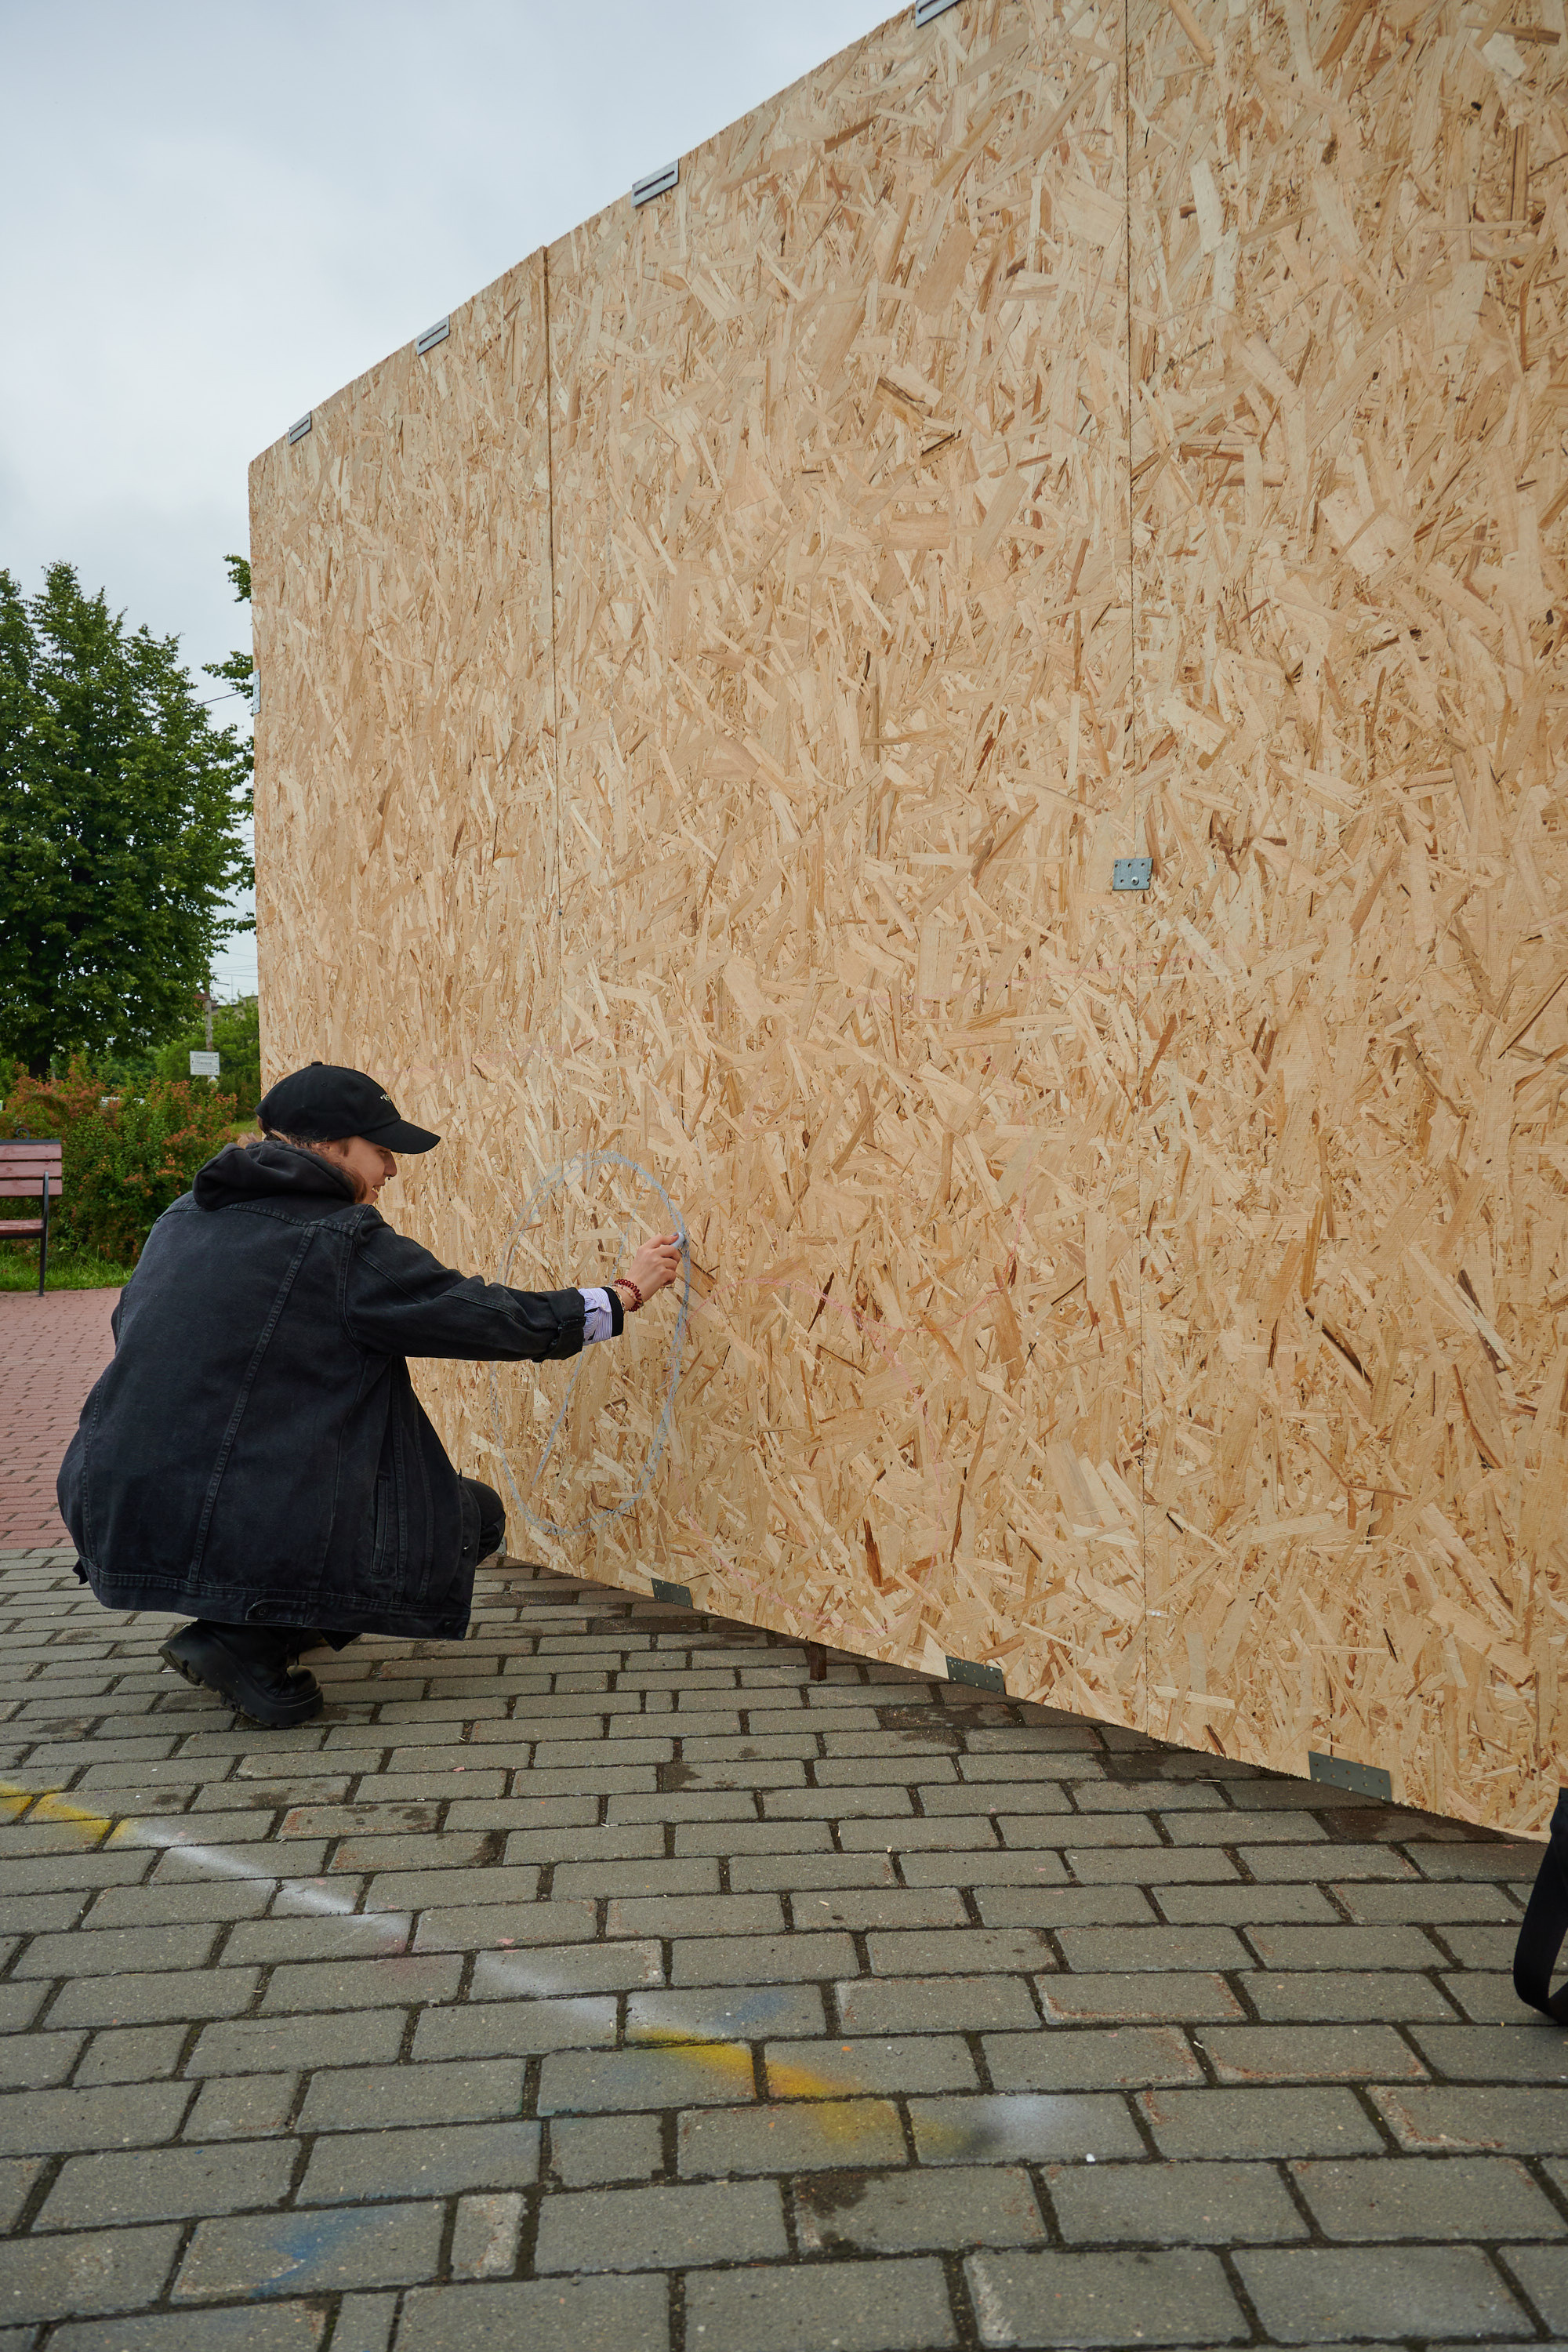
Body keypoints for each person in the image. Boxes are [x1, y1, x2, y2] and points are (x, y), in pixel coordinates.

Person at [57, 1062, 681, 1729]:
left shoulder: (181, 1217)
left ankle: (248, 1624)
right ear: (332, 1145)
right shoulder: (339, 1239)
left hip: (110, 1500)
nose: (391, 1170)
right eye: (381, 1150)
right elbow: (482, 1317)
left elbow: (134, 1330)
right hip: (230, 1514)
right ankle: (245, 1644)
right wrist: (619, 1296)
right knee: (470, 1518)